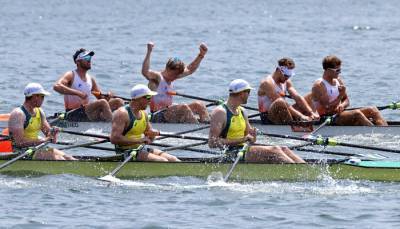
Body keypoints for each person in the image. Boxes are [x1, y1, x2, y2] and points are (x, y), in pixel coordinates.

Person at [209, 79, 305, 163]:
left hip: (244, 150)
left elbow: (249, 138)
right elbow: (212, 142)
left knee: (284, 148)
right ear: (242, 93)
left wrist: (252, 137)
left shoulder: (242, 111)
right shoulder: (220, 112)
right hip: (230, 153)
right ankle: (297, 174)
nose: (249, 95)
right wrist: (242, 140)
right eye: (248, 92)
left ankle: (304, 169)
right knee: (274, 150)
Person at [305, 55, 388, 126]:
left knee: (372, 110)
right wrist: (340, 95)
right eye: (337, 70)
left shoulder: (338, 81)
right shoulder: (319, 85)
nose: (339, 72)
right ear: (327, 70)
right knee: (356, 114)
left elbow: (347, 101)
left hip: (338, 114)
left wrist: (343, 105)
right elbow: (328, 108)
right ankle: (375, 133)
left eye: (340, 70)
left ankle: (386, 131)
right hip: (325, 118)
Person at [141, 42, 209, 123]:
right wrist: (149, 51)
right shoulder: (157, 78)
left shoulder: (174, 76)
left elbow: (190, 69)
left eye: (177, 75)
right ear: (168, 69)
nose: (175, 77)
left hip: (169, 112)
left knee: (199, 105)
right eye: (174, 74)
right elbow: (145, 72)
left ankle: (207, 126)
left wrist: (201, 55)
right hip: (157, 115)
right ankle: (196, 128)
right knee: (183, 107)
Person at [110, 84, 180, 162]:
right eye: (148, 97)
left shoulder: (144, 114)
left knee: (174, 160)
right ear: (138, 98)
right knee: (163, 161)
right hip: (125, 152)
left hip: (141, 149)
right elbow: (114, 138)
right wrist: (139, 140)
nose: (150, 101)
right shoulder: (122, 114)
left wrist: (152, 134)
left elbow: (149, 137)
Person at [8, 83, 76, 160]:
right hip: (20, 152)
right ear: (35, 96)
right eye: (42, 97)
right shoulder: (18, 114)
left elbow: (50, 137)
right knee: (60, 159)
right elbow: (19, 142)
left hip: (36, 147)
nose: (43, 99)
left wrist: (53, 132)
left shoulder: (39, 112)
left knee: (69, 158)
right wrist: (43, 140)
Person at [53, 48, 124, 122]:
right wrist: (78, 93)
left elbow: (100, 98)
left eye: (90, 58)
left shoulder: (91, 79)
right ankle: (113, 126)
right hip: (74, 113)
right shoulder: (71, 75)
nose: (89, 60)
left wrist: (109, 96)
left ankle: (123, 125)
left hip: (87, 112)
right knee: (102, 102)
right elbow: (57, 86)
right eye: (86, 58)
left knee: (118, 101)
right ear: (78, 62)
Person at [258, 57, 319, 124]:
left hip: (282, 113)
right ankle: (294, 125)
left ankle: (312, 119)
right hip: (268, 117)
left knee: (311, 96)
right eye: (286, 75)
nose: (287, 78)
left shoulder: (287, 82)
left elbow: (297, 97)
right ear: (279, 70)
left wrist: (311, 112)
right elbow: (280, 101)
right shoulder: (267, 83)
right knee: (280, 101)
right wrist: (301, 116)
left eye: (289, 76)